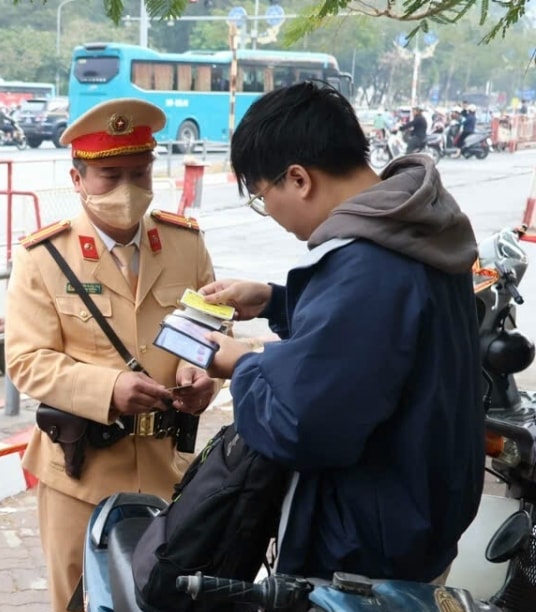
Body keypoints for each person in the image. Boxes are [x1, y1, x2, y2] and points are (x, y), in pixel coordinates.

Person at [201, 81, 482, 583]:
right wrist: (274, 300)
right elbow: (386, 337)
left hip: (369, 546)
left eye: (264, 198)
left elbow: (302, 427)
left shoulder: (365, 263)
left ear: (298, 179)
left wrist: (239, 365)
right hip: (424, 507)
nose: (272, 216)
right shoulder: (415, 223)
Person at [4, 97, 220, 612]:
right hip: (78, 471)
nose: (127, 188)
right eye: (110, 175)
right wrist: (109, 388)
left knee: (164, 606)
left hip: (167, 467)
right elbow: (26, 361)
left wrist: (204, 375)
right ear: (78, 179)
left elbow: (208, 328)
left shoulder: (184, 243)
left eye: (139, 174)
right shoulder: (43, 257)